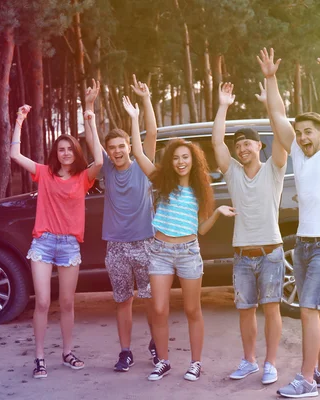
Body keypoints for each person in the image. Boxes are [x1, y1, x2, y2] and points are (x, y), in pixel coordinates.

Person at [260, 42, 320, 398]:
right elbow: (276, 114)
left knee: (308, 310)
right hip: (302, 243)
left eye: (309, 132)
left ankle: (307, 380)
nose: (302, 137)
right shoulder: (298, 155)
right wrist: (271, 79)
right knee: (317, 311)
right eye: (299, 133)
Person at [122, 95, 235, 382]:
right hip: (159, 251)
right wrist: (136, 117)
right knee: (158, 308)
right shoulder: (161, 182)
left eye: (185, 157)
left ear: (193, 161)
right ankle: (163, 360)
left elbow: (201, 230)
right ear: (171, 161)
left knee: (191, 308)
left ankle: (195, 363)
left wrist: (219, 212)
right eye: (176, 157)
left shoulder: (199, 189)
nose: (181, 161)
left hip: (188, 252)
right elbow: (138, 152)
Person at [9, 102, 103, 379]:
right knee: (42, 302)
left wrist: (90, 119)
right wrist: (19, 120)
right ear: (56, 153)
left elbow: (99, 160)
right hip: (44, 243)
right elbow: (14, 154)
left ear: (75, 152)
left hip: (69, 246)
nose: (65, 153)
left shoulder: (83, 178)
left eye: (70, 149)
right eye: (60, 149)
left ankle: (67, 352)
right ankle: (39, 358)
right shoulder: (44, 173)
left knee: (67, 303)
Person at [211, 81, 289, 385]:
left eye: (248, 142)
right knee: (245, 310)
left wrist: (270, 100)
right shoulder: (232, 173)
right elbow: (217, 143)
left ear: (260, 146)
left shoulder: (275, 169)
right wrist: (223, 106)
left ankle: (271, 363)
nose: (242, 147)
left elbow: (282, 131)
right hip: (242, 254)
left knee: (271, 310)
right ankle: (249, 361)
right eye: (238, 144)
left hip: (271, 253)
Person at [83, 77, 159, 372]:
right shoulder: (108, 172)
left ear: (130, 145)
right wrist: (88, 106)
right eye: (111, 147)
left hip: (145, 243)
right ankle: (126, 352)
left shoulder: (143, 163)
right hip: (116, 247)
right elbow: (92, 140)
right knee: (123, 300)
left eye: (121, 146)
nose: (116, 151)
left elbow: (151, 131)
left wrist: (145, 100)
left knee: (152, 301)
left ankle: (156, 345)